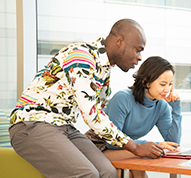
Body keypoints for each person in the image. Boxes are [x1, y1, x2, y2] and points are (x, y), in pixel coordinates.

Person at [8, 18, 164, 178]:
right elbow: (92, 114)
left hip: (64, 127)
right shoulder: (83, 57)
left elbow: (101, 112)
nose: (139, 57)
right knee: (86, 174)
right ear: (120, 41)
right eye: (138, 50)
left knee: (108, 172)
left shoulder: (103, 67)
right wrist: (136, 147)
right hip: (33, 123)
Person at [86, 56, 182, 178]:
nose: (167, 89)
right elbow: (112, 142)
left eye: (170, 84)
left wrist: (176, 109)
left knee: (137, 163)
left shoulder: (161, 105)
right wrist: (152, 145)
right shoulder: (122, 98)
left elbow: (173, 144)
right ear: (146, 81)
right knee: (138, 160)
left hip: (125, 148)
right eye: (163, 84)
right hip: (98, 146)